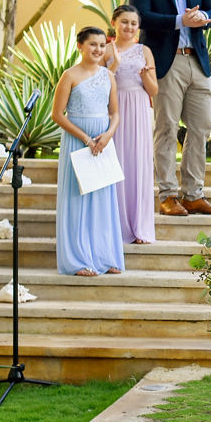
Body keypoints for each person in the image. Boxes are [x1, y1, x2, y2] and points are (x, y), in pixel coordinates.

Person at [128, 0, 211, 218]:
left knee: (201, 129)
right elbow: (140, 15)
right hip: (165, 62)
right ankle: (168, 194)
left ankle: (194, 194)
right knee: (167, 128)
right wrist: (179, 21)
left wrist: (203, 18)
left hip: (197, 60)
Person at [51, 26, 125, 277]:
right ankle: (78, 259)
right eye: (92, 44)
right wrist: (85, 138)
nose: (98, 49)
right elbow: (57, 114)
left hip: (103, 142)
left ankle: (106, 256)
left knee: (103, 200)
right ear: (79, 46)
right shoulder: (69, 75)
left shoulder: (109, 76)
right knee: (77, 199)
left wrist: (107, 135)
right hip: (77, 142)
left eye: (102, 45)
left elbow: (115, 113)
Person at [105, 5, 159, 244]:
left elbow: (154, 90)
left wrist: (146, 75)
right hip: (114, 109)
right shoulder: (104, 49)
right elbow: (97, 83)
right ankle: (115, 226)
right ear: (114, 22)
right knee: (116, 163)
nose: (129, 27)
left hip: (138, 108)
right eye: (124, 21)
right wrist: (113, 64)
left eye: (133, 23)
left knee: (138, 164)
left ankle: (140, 227)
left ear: (138, 27)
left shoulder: (144, 51)